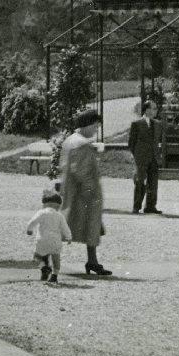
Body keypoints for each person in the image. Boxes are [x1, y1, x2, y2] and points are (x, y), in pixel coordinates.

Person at [60, 107, 111, 276]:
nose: (96, 130)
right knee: (80, 225)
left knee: (85, 225)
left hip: (73, 191)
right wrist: (90, 188)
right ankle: (47, 257)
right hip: (83, 194)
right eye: (95, 126)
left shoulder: (71, 140)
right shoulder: (81, 144)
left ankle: (92, 261)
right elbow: (80, 170)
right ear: (87, 124)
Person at [26, 187, 72, 282]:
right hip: (56, 241)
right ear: (58, 206)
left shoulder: (41, 213)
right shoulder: (59, 216)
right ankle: (54, 276)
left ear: (44, 204)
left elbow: (32, 222)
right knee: (56, 260)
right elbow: (65, 228)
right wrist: (69, 237)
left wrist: (29, 230)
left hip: (42, 240)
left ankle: (44, 267)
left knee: (37, 257)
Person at [127, 100, 164, 214]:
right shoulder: (137, 124)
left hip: (154, 157)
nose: (156, 111)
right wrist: (137, 156)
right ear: (147, 110)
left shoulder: (158, 124)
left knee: (153, 182)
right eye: (154, 108)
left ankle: (150, 206)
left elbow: (158, 141)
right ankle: (136, 206)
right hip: (141, 157)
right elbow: (131, 143)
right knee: (140, 181)